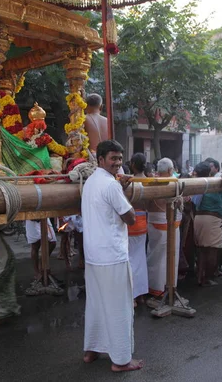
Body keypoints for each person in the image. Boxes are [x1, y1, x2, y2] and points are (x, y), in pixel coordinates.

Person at [81, 139, 143, 372]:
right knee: (119, 307)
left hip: (94, 254)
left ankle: (92, 350)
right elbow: (130, 218)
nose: (118, 163)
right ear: (100, 160)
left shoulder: (91, 182)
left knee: (96, 304)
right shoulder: (110, 185)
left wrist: (121, 188)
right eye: (113, 159)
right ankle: (121, 360)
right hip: (112, 255)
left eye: (119, 158)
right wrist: (123, 191)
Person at [147, 157, 182, 297]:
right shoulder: (176, 183)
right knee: (171, 255)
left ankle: (155, 288)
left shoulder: (150, 183)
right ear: (170, 170)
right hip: (169, 221)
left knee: (156, 256)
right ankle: (168, 287)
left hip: (156, 221)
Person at [192, 162, 222, 286]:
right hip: (212, 219)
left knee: (201, 250)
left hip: (199, 218)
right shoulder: (214, 183)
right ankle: (207, 278)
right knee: (213, 250)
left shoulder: (196, 184)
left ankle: (201, 277)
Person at [128, 153, 149, 306]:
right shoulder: (149, 181)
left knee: (130, 261)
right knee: (140, 259)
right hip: (143, 223)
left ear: (133, 164)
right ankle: (141, 294)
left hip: (130, 224)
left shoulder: (130, 181)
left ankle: (133, 295)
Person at [25, 218, 58, 294]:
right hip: (32, 218)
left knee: (52, 242)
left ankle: (43, 265)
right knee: (35, 245)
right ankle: (37, 272)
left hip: (44, 217)